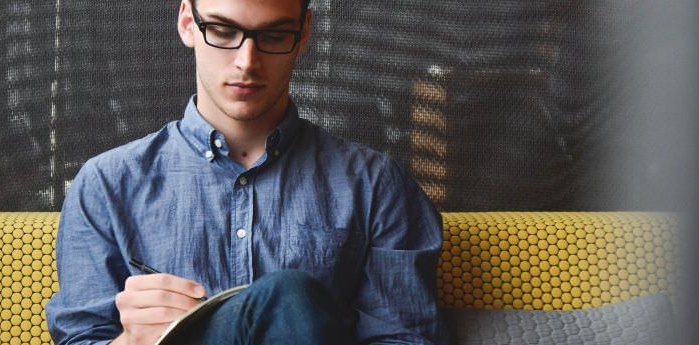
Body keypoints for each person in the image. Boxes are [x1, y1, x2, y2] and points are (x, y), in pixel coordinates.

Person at [45, 0, 444, 344]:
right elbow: (82, 337)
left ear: (303, 34)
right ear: (188, 23)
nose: (246, 62)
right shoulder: (106, 184)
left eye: (273, 36)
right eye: (222, 30)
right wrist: (131, 340)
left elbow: (404, 336)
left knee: (289, 296)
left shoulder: (375, 184)